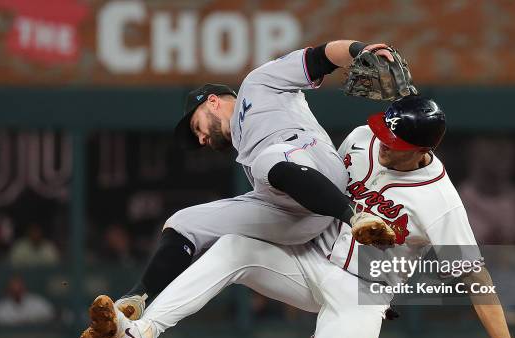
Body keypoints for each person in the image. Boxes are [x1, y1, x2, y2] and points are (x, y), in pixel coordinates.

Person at [79, 96, 515, 338]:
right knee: (233, 246)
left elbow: (474, 273)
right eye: (384, 132)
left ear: (425, 149)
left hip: (362, 289)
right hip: (308, 255)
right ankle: (137, 335)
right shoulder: (362, 140)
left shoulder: (440, 202)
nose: (383, 143)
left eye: (397, 143)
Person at [113, 40, 402, 319]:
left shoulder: (258, 83)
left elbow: (320, 57)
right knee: (183, 223)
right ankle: (136, 300)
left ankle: (357, 218)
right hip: (291, 211)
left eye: (196, 126)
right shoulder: (243, 144)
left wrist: (357, 50)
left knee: (269, 160)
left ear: (212, 102)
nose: (200, 138)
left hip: (317, 165)